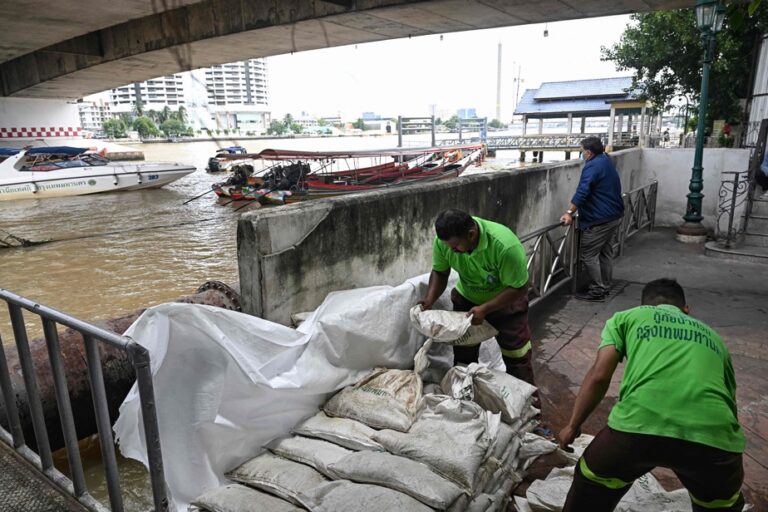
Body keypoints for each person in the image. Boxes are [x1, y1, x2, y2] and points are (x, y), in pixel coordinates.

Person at [558, 279, 745, 512]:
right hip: (715, 439)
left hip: (636, 426)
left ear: (645, 305)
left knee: (593, 480)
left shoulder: (627, 317)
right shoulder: (715, 339)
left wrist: (573, 425)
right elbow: (730, 401)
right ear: (686, 309)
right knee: (720, 504)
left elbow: (599, 375)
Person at [418, 209, 538, 391]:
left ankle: (532, 411)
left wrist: (486, 308)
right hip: (466, 301)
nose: (452, 251)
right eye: (449, 246)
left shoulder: (505, 246)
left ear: (471, 234)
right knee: (464, 356)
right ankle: (466, 399)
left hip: (506, 303)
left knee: (517, 356)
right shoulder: (445, 242)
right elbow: (441, 272)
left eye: (456, 246)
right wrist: (429, 299)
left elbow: (520, 288)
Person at [560, 136, 624, 302]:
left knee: (588, 255)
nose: (581, 154)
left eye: (582, 152)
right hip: (613, 215)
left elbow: (583, 191)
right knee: (605, 252)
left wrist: (569, 212)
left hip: (599, 218)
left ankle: (597, 290)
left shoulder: (593, 166)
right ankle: (606, 285)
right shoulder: (605, 160)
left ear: (588, 153)